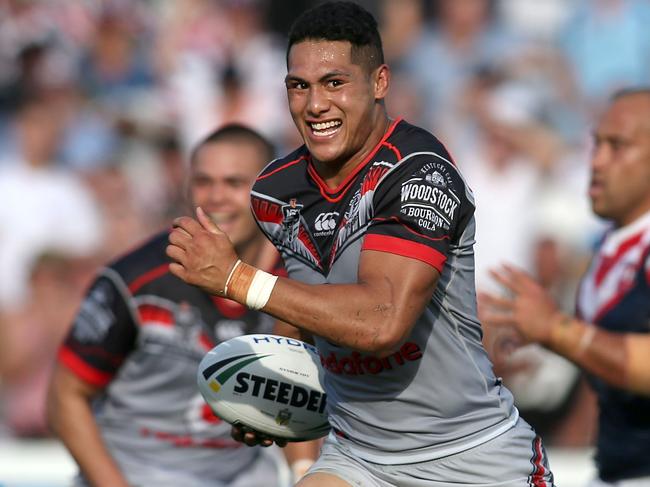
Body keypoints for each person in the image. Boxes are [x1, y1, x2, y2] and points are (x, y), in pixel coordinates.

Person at [166, 3, 555, 486]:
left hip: (471, 454)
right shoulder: (274, 192)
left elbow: (381, 323)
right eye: (299, 86)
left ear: (380, 83)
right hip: (358, 457)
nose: (314, 105)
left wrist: (236, 278)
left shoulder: (421, 171)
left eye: (335, 83)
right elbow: (297, 307)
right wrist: (272, 393)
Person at [47, 124, 294, 487]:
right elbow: (64, 395)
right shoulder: (135, 279)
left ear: (270, 191)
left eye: (234, 183)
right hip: (137, 473)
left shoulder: (297, 280)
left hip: (245, 475)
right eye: (203, 182)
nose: (215, 197)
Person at [481, 88, 650, 485]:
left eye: (617, 146)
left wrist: (556, 330)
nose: (597, 161)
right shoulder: (612, 248)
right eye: (596, 145)